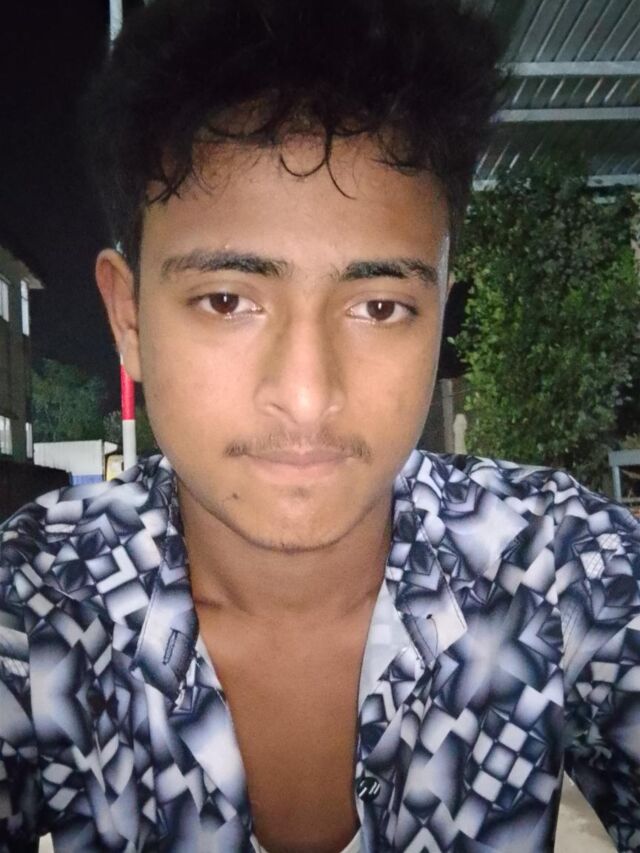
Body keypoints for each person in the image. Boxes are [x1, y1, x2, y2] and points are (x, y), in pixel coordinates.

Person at [1, 0, 638, 850]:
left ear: (439, 314)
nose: (305, 397)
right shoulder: (39, 603)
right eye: (226, 300)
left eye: (379, 306)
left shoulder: (557, 569)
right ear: (130, 320)